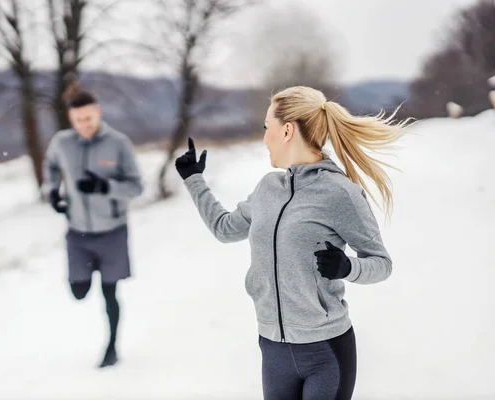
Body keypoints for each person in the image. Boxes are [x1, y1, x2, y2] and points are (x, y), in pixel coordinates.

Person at [174, 86, 410, 399]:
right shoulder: (268, 188)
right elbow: (224, 228)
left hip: (325, 352)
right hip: (273, 350)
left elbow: (382, 264)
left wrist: (348, 266)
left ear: (287, 131)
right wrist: (194, 179)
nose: (263, 138)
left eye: (265, 128)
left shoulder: (339, 193)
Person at [42, 82, 143, 368]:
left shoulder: (118, 143)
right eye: (77, 120)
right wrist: (51, 190)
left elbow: (136, 187)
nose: (83, 125)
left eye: (88, 118)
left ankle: (112, 347)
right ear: (70, 119)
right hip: (78, 233)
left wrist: (103, 186)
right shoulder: (62, 142)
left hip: (112, 231)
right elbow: (50, 165)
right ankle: (83, 281)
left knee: (109, 292)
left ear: (98, 113)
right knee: (79, 292)